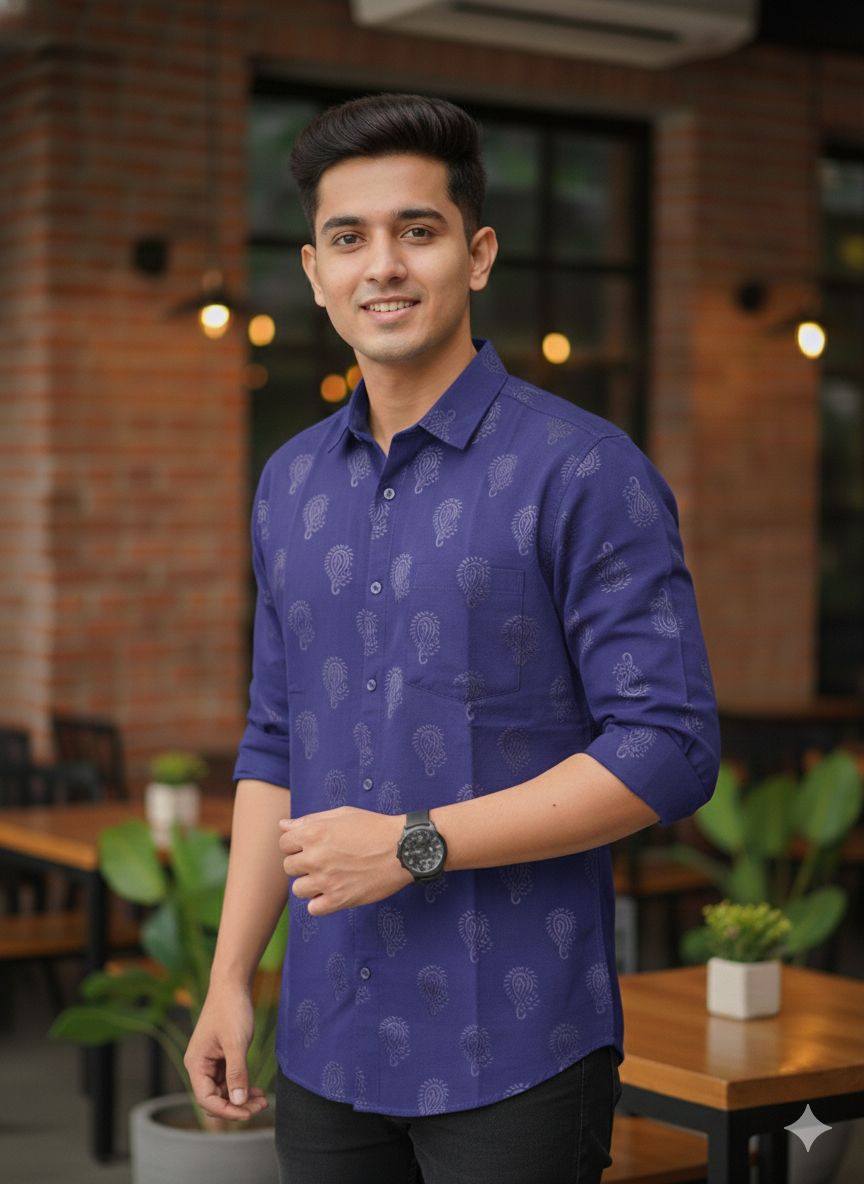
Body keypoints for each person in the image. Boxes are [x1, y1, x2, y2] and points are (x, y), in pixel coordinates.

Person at [184, 91, 721, 1184]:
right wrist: (231, 976)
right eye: (349, 238)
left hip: (516, 1045)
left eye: (416, 230)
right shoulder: (288, 482)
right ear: (315, 272)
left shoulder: (584, 470)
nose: (382, 265)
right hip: (326, 1034)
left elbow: (668, 747)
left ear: (476, 255)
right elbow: (275, 739)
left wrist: (412, 843)